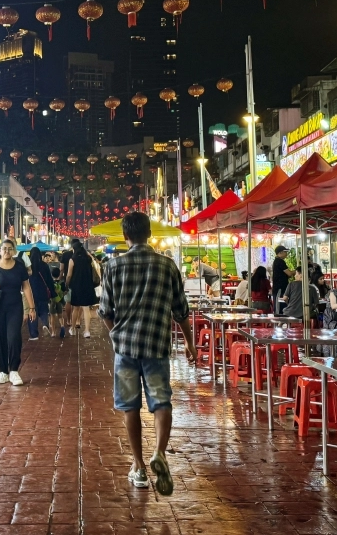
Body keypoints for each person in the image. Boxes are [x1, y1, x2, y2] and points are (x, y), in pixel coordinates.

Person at [98, 212, 196, 495]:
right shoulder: (167, 265)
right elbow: (181, 311)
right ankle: (160, 453)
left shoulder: (113, 266)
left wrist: (115, 333)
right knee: (161, 401)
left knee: (130, 406)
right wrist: (190, 343)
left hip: (125, 348)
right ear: (150, 234)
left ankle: (139, 467)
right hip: (156, 346)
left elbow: (105, 311)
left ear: (125, 236)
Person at [0, 239, 35, 386]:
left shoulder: (19, 267)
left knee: (14, 338)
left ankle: (14, 371)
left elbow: (27, 287)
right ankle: (3, 371)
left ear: (14, 250)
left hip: (15, 307)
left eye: (10, 249)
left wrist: (31, 308)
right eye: (4, 248)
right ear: (0, 250)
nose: (7, 251)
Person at [66, 241, 99, 337]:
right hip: (88, 285)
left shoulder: (72, 259)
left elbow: (69, 275)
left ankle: (72, 329)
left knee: (75, 308)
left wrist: (67, 284)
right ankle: (87, 331)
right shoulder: (88, 258)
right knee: (86, 308)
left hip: (76, 285)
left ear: (74, 249)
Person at [26, 246, 57, 339]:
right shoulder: (44, 265)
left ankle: (34, 334)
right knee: (44, 311)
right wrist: (52, 292)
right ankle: (45, 325)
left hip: (31, 293)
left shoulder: (28, 266)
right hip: (43, 292)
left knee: (32, 311)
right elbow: (49, 280)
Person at [271, 246, 294, 314]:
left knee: (283, 305)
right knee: (279, 306)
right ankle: (278, 321)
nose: (287, 254)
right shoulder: (279, 261)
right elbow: (289, 273)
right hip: (279, 288)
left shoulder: (277, 261)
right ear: (280, 252)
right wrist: (297, 271)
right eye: (285, 252)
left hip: (282, 287)